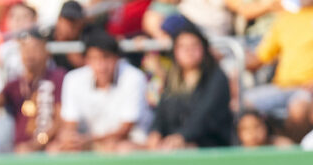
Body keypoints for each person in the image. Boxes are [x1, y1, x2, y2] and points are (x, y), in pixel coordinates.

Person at [51, 28, 150, 153]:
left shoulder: (134, 77)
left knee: (122, 149)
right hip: (89, 143)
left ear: (116, 58)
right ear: (86, 60)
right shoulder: (73, 79)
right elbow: (70, 124)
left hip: (127, 142)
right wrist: (70, 139)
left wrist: (89, 141)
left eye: (106, 58)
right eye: (95, 58)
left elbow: (125, 130)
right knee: (55, 150)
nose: (101, 65)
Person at [145, 19, 232, 150]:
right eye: (183, 47)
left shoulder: (216, 77)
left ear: (203, 48)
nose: (188, 51)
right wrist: (155, 132)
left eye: (194, 46)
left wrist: (182, 136)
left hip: (208, 143)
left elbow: (206, 115)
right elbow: (161, 112)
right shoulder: (172, 77)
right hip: (172, 140)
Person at [0, 28, 64, 152]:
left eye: (35, 48)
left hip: (50, 147)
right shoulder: (15, 84)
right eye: (25, 48)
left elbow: (62, 117)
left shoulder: (58, 77)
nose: (29, 53)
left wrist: (37, 143)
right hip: (20, 150)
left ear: (46, 52)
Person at [244, 0, 313, 143]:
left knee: (298, 110)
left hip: (308, 89)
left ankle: (295, 153)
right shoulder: (285, 18)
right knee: (244, 103)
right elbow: (261, 57)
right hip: (282, 86)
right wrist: (228, 59)